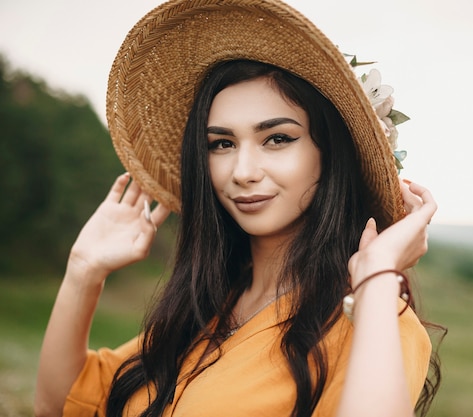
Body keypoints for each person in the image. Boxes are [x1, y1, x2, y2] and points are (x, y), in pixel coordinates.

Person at [34, 1, 442, 416]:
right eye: (222, 144)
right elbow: (62, 405)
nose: (242, 172)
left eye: (278, 139)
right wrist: (84, 270)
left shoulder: (377, 321)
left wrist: (377, 275)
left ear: (333, 153)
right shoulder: (204, 309)